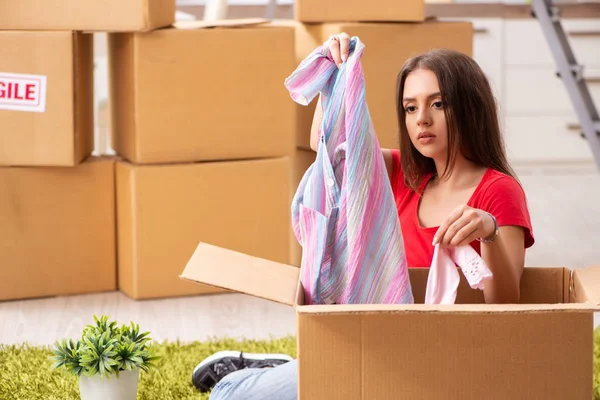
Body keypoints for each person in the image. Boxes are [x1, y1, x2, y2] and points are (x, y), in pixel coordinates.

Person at [191, 33, 535, 400]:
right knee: (229, 396)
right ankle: (283, 369)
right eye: (410, 108)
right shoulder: (399, 175)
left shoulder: (498, 190)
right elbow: (334, 145)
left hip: (440, 361)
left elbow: (506, 307)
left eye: (438, 103)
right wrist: (335, 74)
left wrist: (490, 232)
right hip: (371, 345)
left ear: (470, 107)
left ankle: (289, 368)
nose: (422, 119)